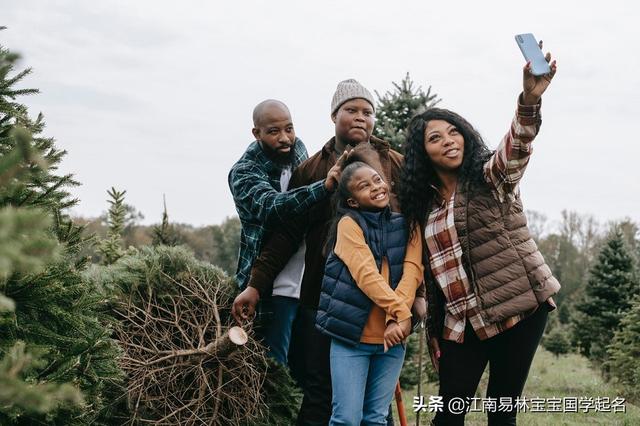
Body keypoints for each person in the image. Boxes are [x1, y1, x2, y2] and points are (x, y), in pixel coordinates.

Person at [234, 79, 425, 425]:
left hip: (385, 303)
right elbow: (287, 234)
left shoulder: (393, 164)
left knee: (375, 407)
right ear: (334, 115)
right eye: (350, 110)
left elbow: (414, 235)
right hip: (324, 302)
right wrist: (255, 284)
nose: (360, 117)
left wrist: (418, 295)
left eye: (367, 111)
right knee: (320, 394)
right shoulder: (312, 170)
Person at [399, 46, 559, 425]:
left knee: (500, 412)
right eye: (436, 138)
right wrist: (435, 328)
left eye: (455, 132)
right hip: (462, 324)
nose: (449, 140)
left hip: (517, 308)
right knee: (448, 416)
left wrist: (529, 101)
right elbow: (435, 278)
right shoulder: (424, 209)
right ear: (423, 153)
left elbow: (516, 147)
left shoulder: (490, 179)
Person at [228, 99, 340, 365]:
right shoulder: (243, 173)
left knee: (309, 366)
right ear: (257, 134)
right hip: (271, 285)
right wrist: (322, 187)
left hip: (308, 280)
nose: (285, 138)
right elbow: (274, 207)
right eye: (274, 131)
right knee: (274, 365)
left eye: (289, 129)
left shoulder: (298, 149)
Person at [316, 159, 424, 425]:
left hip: (392, 342)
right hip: (351, 339)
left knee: (375, 419)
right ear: (352, 201)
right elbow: (367, 276)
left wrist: (394, 321)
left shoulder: (407, 224)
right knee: (346, 418)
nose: (376, 187)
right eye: (364, 186)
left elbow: (412, 272)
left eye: (377, 179)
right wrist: (402, 314)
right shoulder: (348, 225)